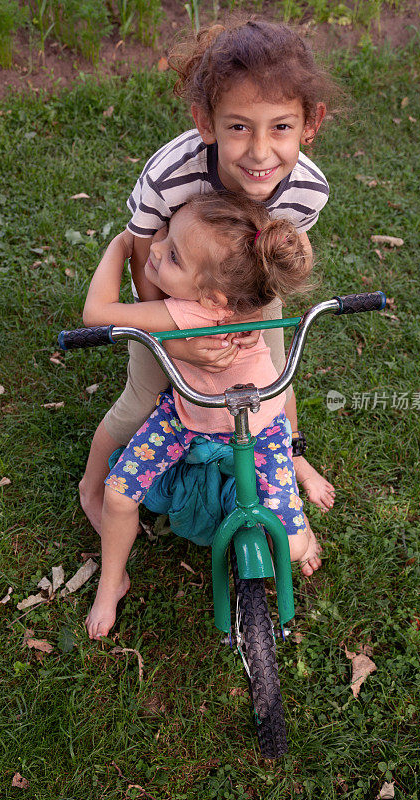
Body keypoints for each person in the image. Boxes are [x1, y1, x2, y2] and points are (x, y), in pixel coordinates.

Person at [79, 18, 338, 553]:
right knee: (147, 394)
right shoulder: (169, 177)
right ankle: (92, 484)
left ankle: (288, 455)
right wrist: (175, 340)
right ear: (206, 121)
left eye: (281, 127)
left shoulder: (308, 191)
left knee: (273, 385)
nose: (261, 152)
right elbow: (144, 253)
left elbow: (276, 265)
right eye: (239, 127)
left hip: (247, 296)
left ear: (311, 124)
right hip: (167, 294)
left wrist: (248, 323)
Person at [84, 192, 333, 640]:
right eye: (163, 237)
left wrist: (121, 246)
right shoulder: (247, 290)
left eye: (173, 254)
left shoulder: (189, 307)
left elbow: (95, 313)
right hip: (188, 417)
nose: (154, 249)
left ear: (215, 298)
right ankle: (110, 582)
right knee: (120, 494)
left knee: (292, 548)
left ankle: (303, 527)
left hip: (255, 428)